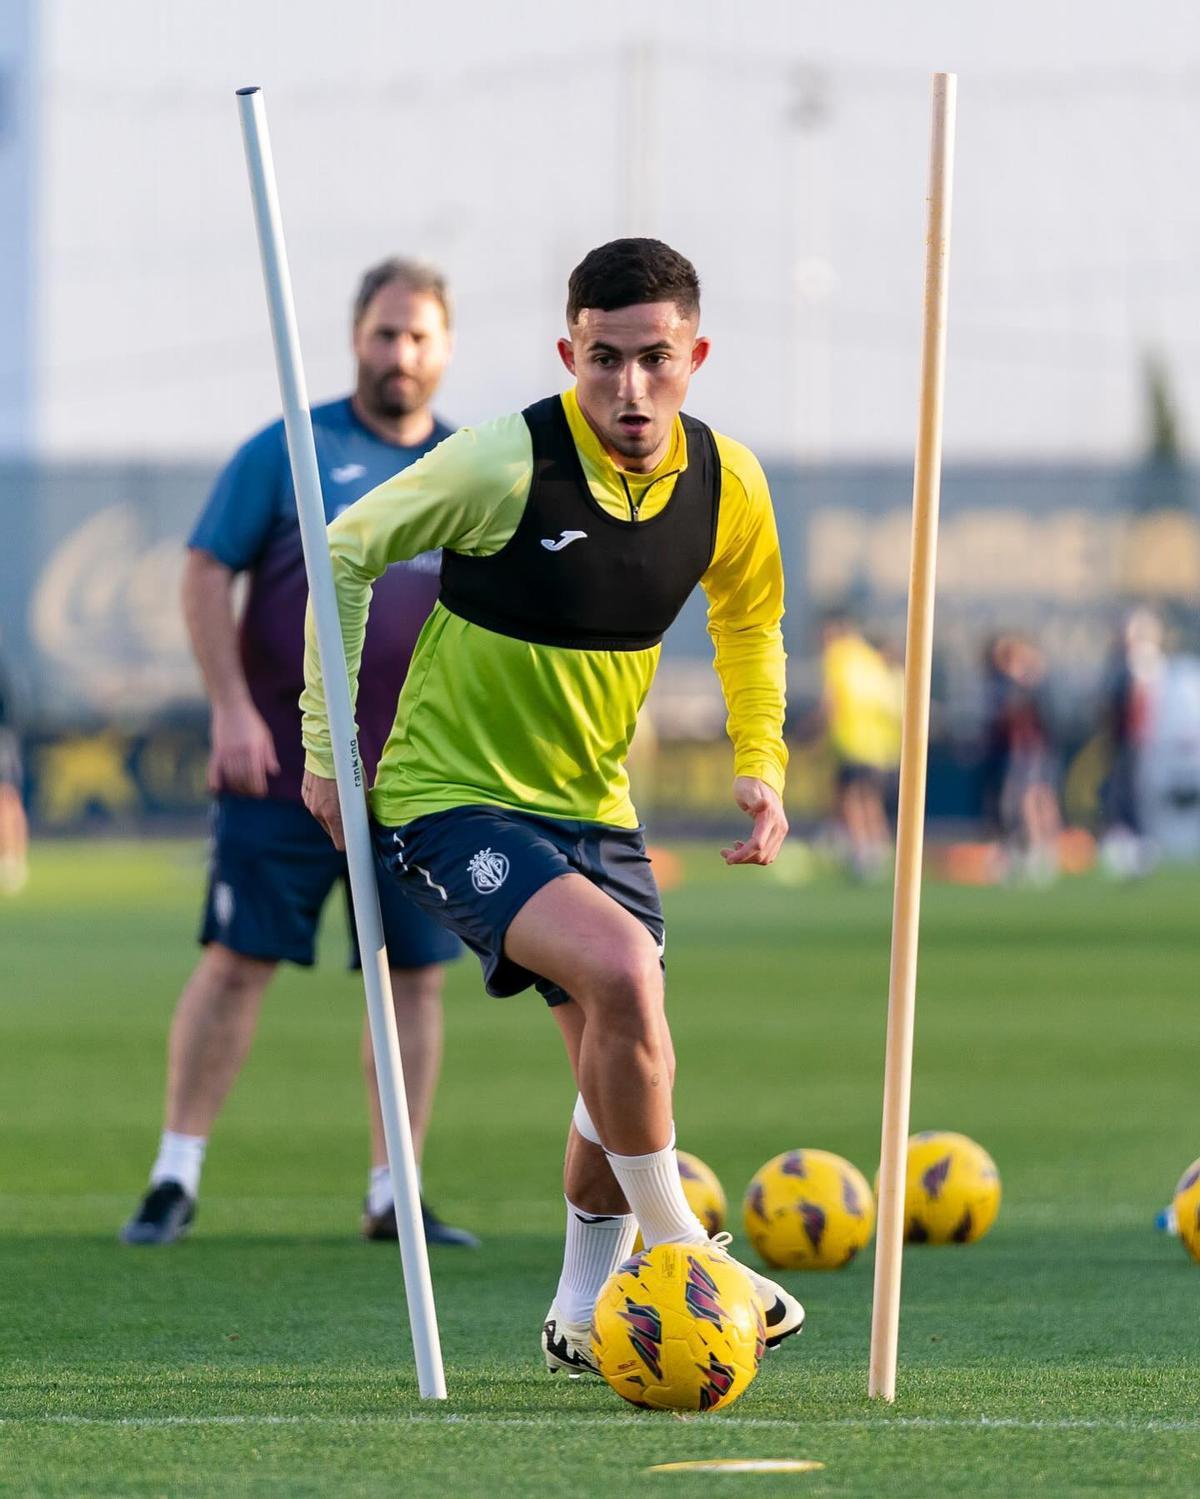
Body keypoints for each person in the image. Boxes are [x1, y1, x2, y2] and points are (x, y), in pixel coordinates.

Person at [300, 238, 805, 1374]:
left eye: (655, 360)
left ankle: (581, 1313)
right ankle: (682, 1250)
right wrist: (330, 749)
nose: (630, 389)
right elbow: (345, 548)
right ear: (569, 349)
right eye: (605, 360)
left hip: (592, 803)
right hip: (450, 798)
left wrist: (760, 756)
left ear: (696, 355)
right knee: (623, 974)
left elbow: (748, 618)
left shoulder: (729, 483)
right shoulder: (501, 462)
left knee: (626, 1058)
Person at [121, 258, 477, 1249]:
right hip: (279, 764)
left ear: (445, 348)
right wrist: (229, 706)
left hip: (414, 780)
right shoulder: (291, 448)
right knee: (235, 963)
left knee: (414, 979)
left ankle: (391, 1188)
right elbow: (205, 570)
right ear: (355, 337)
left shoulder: (470, 468)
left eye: (418, 336)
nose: (399, 353)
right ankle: (174, 1173)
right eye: (384, 332)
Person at [819, 611, 896, 880]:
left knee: (851, 799)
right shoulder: (868, 656)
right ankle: (878, 847)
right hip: (878, 745)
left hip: (852, 741)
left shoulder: (838, 655)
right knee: (869, 799)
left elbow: (833, 699)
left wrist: (820, 731)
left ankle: (861, 850)